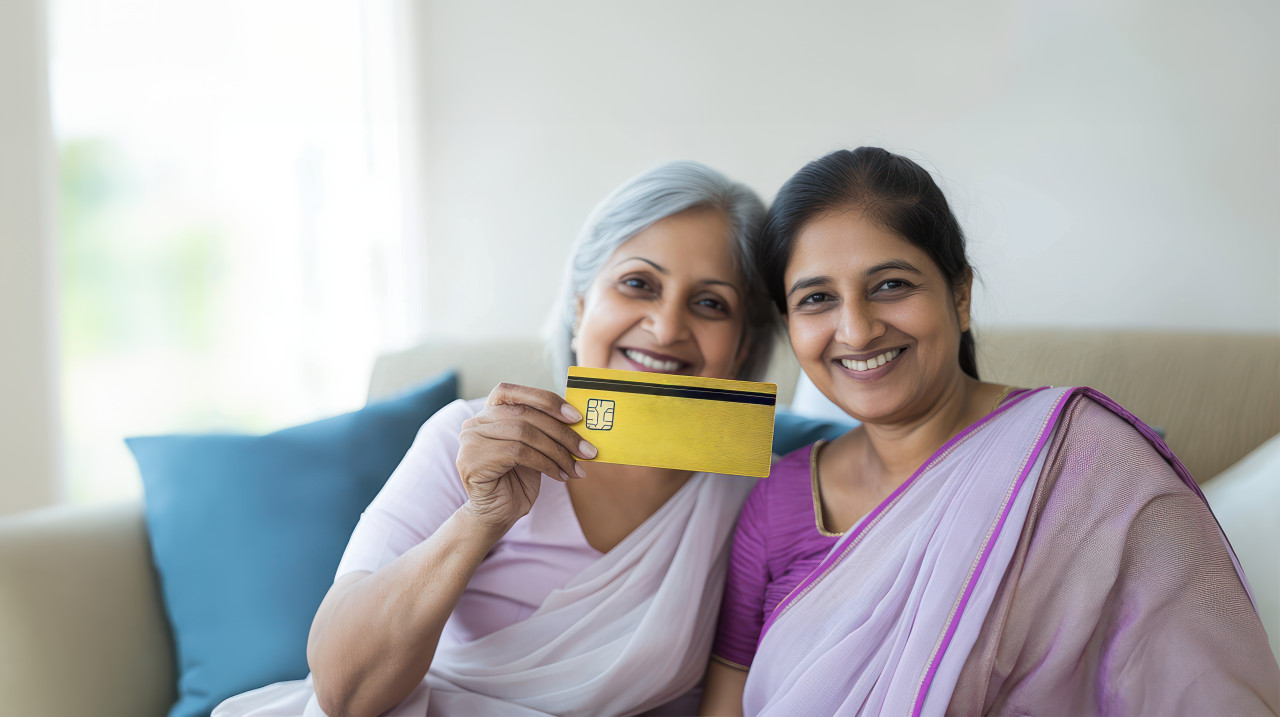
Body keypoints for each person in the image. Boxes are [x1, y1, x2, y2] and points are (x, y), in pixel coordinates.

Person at [699, 147, 1280, 716]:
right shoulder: (774, 501)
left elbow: (1202, 689)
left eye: (891, 285)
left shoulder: (1088, 462)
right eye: (817, 298)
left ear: (960, 295)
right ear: (790, 326)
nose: (856, 329)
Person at [213, 160, 778, 717]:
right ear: (580, 310)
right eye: (638, 284)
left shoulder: (763, 497)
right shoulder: (468, 438)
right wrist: (480, 518)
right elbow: (343, 692)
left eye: (711, 303)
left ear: (744, 348)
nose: (668, 326)